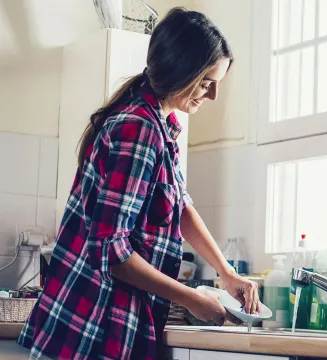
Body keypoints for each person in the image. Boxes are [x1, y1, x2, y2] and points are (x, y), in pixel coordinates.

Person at [18, 7, 259, 360]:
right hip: (90, 330)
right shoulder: (138, 129)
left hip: (106, 326)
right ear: (182, 71)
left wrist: (226, 272)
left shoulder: (161, 127)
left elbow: (179, 206)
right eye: (207, 83)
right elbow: (112, 253)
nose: (212, 97)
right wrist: (192, 298)